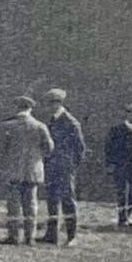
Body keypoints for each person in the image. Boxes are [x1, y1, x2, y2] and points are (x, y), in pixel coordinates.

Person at [0, 96, 52, 244]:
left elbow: (0, 149)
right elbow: (49, 147)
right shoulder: (40, 126)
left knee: (13, 205)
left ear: (16, 107)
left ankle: (13, 236)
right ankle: (30, 237)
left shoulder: (7, 126)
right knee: (31, 205)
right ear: (30, 108)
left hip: (13, 170)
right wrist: (37, 157)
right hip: (32, 171)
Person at [41, 88, 86, 243]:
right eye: (48, 103)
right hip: (51, 166)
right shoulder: (52, 120)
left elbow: (80, 148)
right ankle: (51, 234)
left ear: (58, 103)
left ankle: (71, 235)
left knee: (68, 201)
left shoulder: (71, 122)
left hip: (65, 168)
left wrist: (71, 166)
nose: (49, 107)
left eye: (51, 103)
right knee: (52, 200)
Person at [104, 105, 132, 230]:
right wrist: (110, 164)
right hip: (120, 166)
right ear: (127, 114)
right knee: (122, 192)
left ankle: (129, 214)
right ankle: (122, 218)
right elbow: (109, 148)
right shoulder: (116, 130)